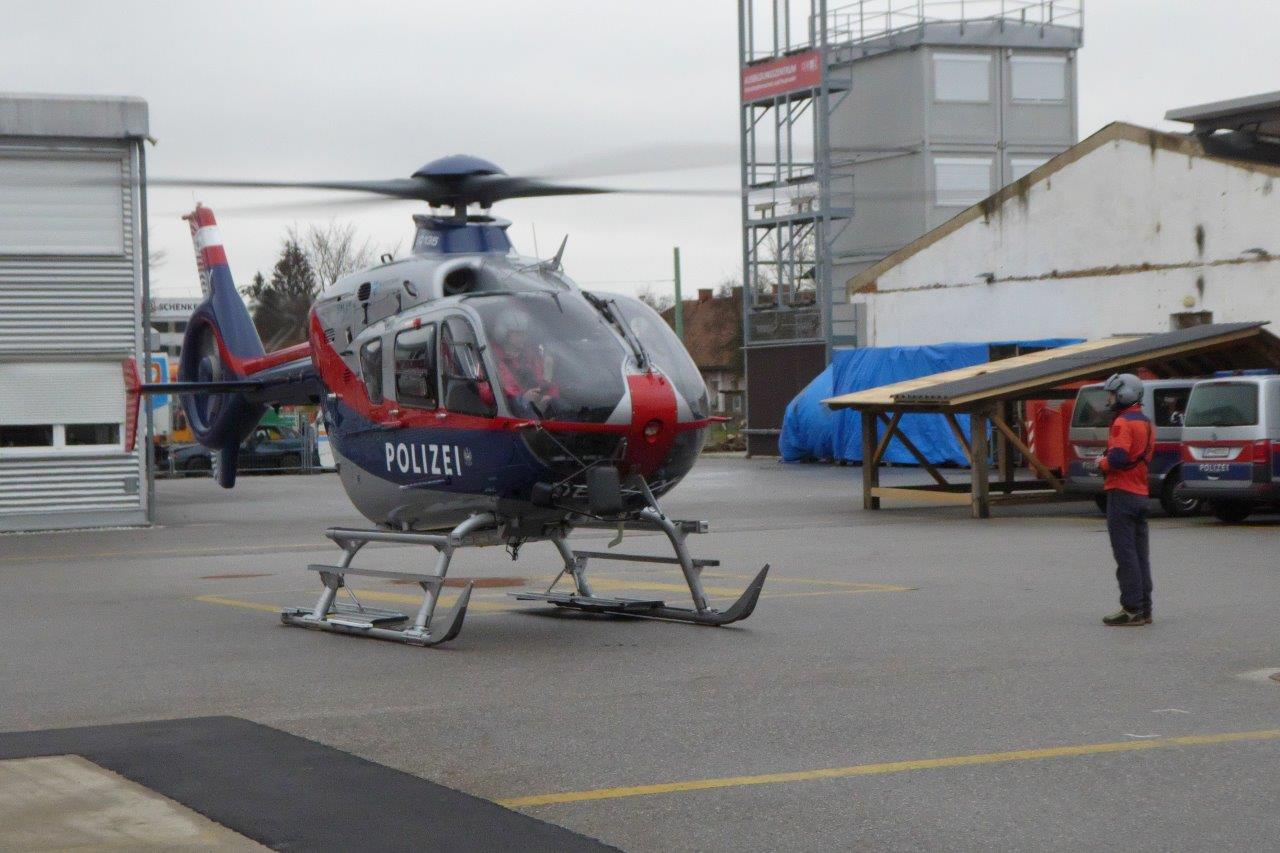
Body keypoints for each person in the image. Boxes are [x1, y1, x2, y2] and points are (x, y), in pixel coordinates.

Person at [1085, 373, 1156, 626]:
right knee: (1140, 555)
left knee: (1125, 555)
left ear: (1125, 394)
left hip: (1121, 493)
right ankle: (1145, 608)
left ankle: (1132, 609)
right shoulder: (1146, 423)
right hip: (1140, 493)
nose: (1110, 398)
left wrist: (1099, 462)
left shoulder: (1122, 423)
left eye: (1113, 393)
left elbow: (1117, 459)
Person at [491, 312, 557, 417]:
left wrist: (549, 394)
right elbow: (488, 393)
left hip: (537, 407)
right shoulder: (492, 358)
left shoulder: (531, 354)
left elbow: (543, 380)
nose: (523, 337)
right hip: (512, 414)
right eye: (518, 333)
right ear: (504, 333)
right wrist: (523, 399)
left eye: (525, 333)